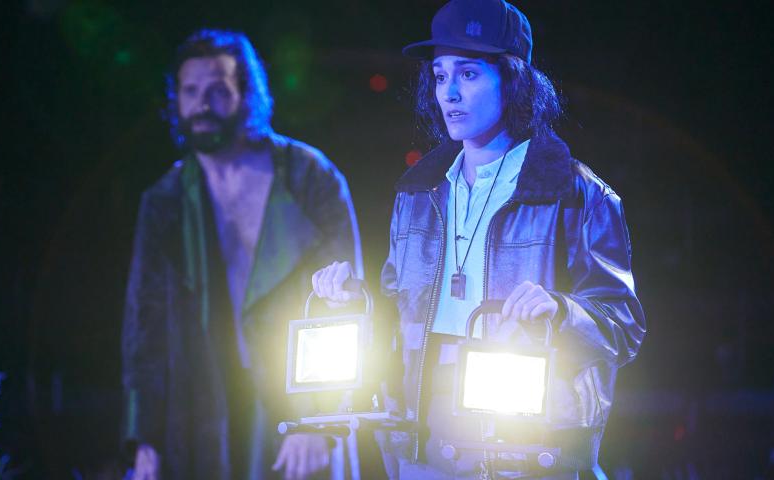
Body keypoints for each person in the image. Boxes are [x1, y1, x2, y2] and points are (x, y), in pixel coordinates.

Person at [312, 1, 646, 478]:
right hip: (422, 431)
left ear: (513, 80)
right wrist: (353, 301)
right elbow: (397, 311)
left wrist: (560, 310)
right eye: (440, 76)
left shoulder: (575, 194)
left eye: (468, 74)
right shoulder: (418, 192)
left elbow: (623, 326)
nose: (449, 93)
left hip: (524, 437)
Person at [122, 29, 363, 480]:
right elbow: (144, 328)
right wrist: (145, 438)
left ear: (246, 94)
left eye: (217, 90)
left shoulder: (309, 177)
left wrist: (318, 418)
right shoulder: (165, 200)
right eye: (190, 91)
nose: (202, 105)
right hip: (203, 410)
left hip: (297, 405)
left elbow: (344, 303)